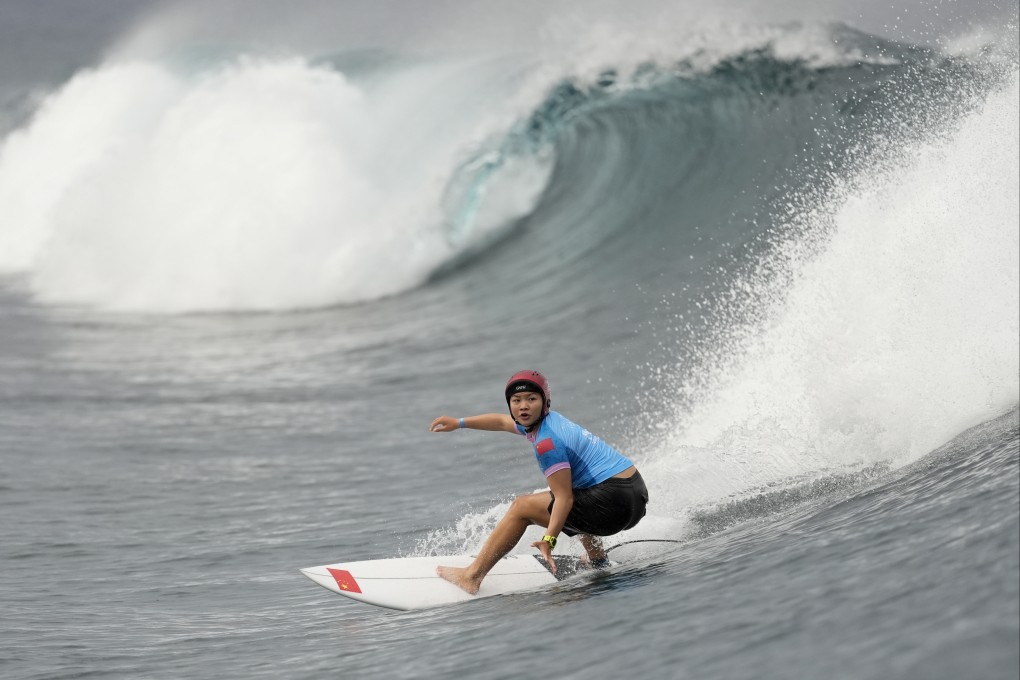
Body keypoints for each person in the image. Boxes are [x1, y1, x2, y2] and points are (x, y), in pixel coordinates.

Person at [428, 369, 648, 595]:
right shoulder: (548, 421)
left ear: (545, 402)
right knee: (572, 489)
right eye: (516, 401)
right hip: (634, 493)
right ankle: (598, 559)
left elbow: (565, 499)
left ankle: (471, 576)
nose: (523, 406)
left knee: (522, 507)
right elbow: (501, 422)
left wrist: (549, 539)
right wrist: (459, 422)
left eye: (531, 399)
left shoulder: (547, 443)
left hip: (614, 505)